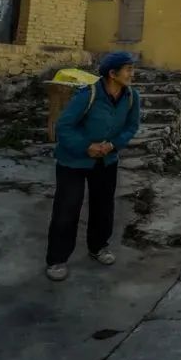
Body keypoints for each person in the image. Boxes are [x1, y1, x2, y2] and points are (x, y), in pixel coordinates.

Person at [46, 51, 141, 282]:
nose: (132, 74)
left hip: (106, 161)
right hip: (74, 161)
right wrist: (86, 146)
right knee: (67, 208)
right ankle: (57, 259)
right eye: (128, 69)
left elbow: (132, 126)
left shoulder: (131, 96)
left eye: (131, 68)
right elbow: (64, 126)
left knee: (103, 206)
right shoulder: (88, 94)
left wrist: (113, 144)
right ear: (112, 73)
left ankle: (98, 247)